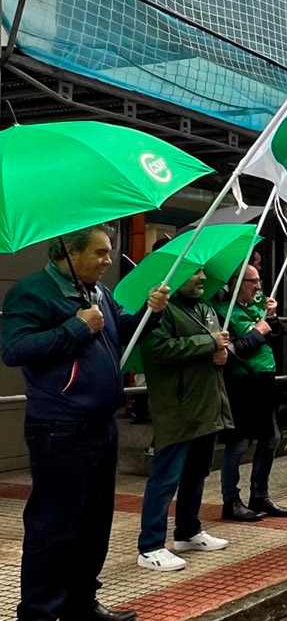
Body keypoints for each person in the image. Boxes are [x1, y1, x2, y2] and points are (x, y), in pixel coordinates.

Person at [2, 224, 167, 621]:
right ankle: (39, 612)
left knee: (95, 521)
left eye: (108, 252)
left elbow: (124, 331)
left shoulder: (99, 293)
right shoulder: (32, 293)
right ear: (67, 253)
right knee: (53, 524)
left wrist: (150, 311)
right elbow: (15, 349)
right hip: (59, 427)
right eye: (99, 253)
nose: (108, 261)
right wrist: (77, 327)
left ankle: (81, 602)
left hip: (100, 424)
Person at [137, 268, 235, 572]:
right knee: (166, 477)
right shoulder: (162, 311)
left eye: (204, 272)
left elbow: (218, 346)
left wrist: (223, 352)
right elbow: (156, 350)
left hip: (207, 404)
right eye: (195, 273)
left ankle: (188, 531)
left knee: (197, 472)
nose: (202, 278)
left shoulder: (206, 308)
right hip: (177, 406)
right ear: (177, 276)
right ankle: (150, 545)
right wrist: (208, 344)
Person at [218, 266, 287, 522]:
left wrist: (270, 319)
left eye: (259, 280)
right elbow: (234, 350)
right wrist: (258, 332)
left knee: (270, 438)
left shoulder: (254, 309)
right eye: (253, 281)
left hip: (264, 381)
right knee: (239, 443)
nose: (258, 287)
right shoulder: (225, 313)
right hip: (241, 383)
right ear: (237, 283)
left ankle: (260, 494)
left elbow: (278, 336)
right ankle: (231, 499)